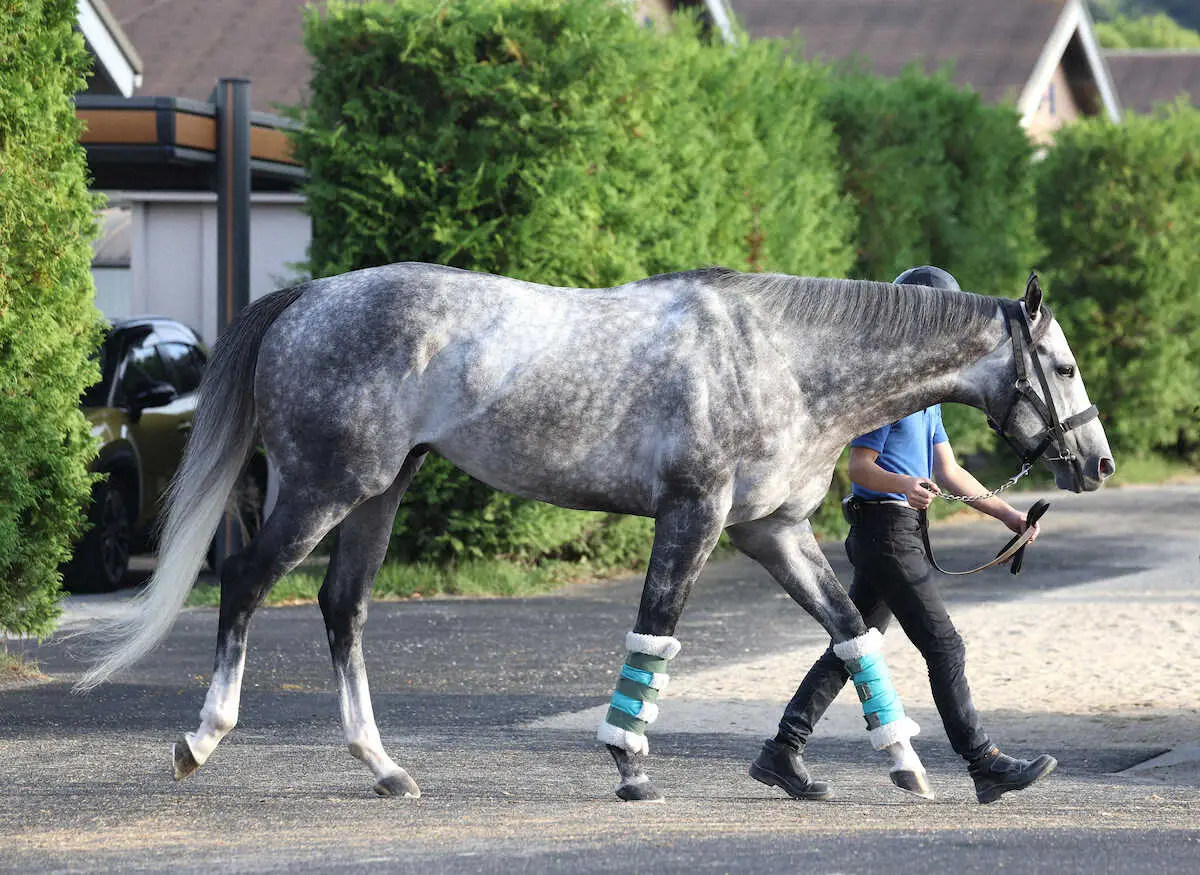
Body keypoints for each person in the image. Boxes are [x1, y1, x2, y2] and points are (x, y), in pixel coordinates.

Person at [749, 265, 1057, 805]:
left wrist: (1008, 516)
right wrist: (902, 483)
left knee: (853, 646)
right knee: (944, 645)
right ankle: (984, 763)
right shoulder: (886, 391)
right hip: (884, 530)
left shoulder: (930, 396)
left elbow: (949, 473)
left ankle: (783, 749)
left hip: (901, 529)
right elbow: (859, 468)